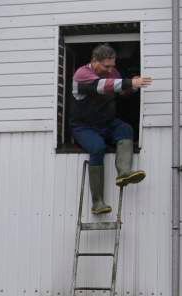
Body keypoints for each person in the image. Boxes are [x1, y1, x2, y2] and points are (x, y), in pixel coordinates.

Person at [71, 43, 153, 214]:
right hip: (83, 127)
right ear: (95, 61)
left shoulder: (112, 72)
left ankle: (124, 173)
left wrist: (132, 87)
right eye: (106, 66)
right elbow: (103, 86)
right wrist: (129, 81)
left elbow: (121, 92)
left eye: (112, 66)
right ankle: (97, 203)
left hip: (106, 123)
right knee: (97, 148)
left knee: (125, 129)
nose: (110, 70)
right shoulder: (82, 74)